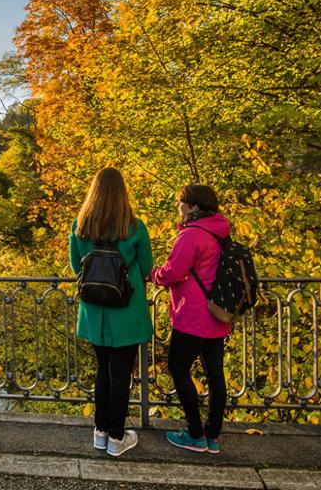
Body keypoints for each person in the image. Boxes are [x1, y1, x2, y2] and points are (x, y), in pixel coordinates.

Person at [70, 168, 153, 457]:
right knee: (121, 375)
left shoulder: (80, 226)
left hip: (94, 311)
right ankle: (117, 436)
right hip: (126, 311)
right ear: (122, 193)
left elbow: (76, 267)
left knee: (102, 371)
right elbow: (146, 268)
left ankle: (100, 431)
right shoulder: (134, 227)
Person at [151, 184, 231, 454]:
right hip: (217, 314)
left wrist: (153, 275)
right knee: (215, 373)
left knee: (178, 368)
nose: (178, 207)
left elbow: (173, 272)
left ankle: (194, 432)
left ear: (193, 206)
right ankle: (213, 436)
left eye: (180, 203)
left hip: (193, 315)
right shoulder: (220, 231)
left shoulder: (192, 235)